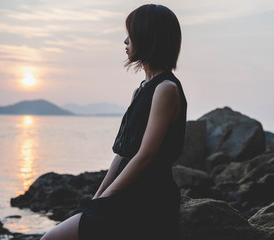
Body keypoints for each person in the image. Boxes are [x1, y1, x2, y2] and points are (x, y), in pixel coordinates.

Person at [41, 4, 187, 240]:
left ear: (149, 37)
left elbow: (146, 155)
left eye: (131, 33)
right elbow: (122, 153)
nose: (125, 40)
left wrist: (108, 198)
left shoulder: (166, 89)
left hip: (147, 198)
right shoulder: (141, 90)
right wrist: (98, 197)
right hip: (125, 193)